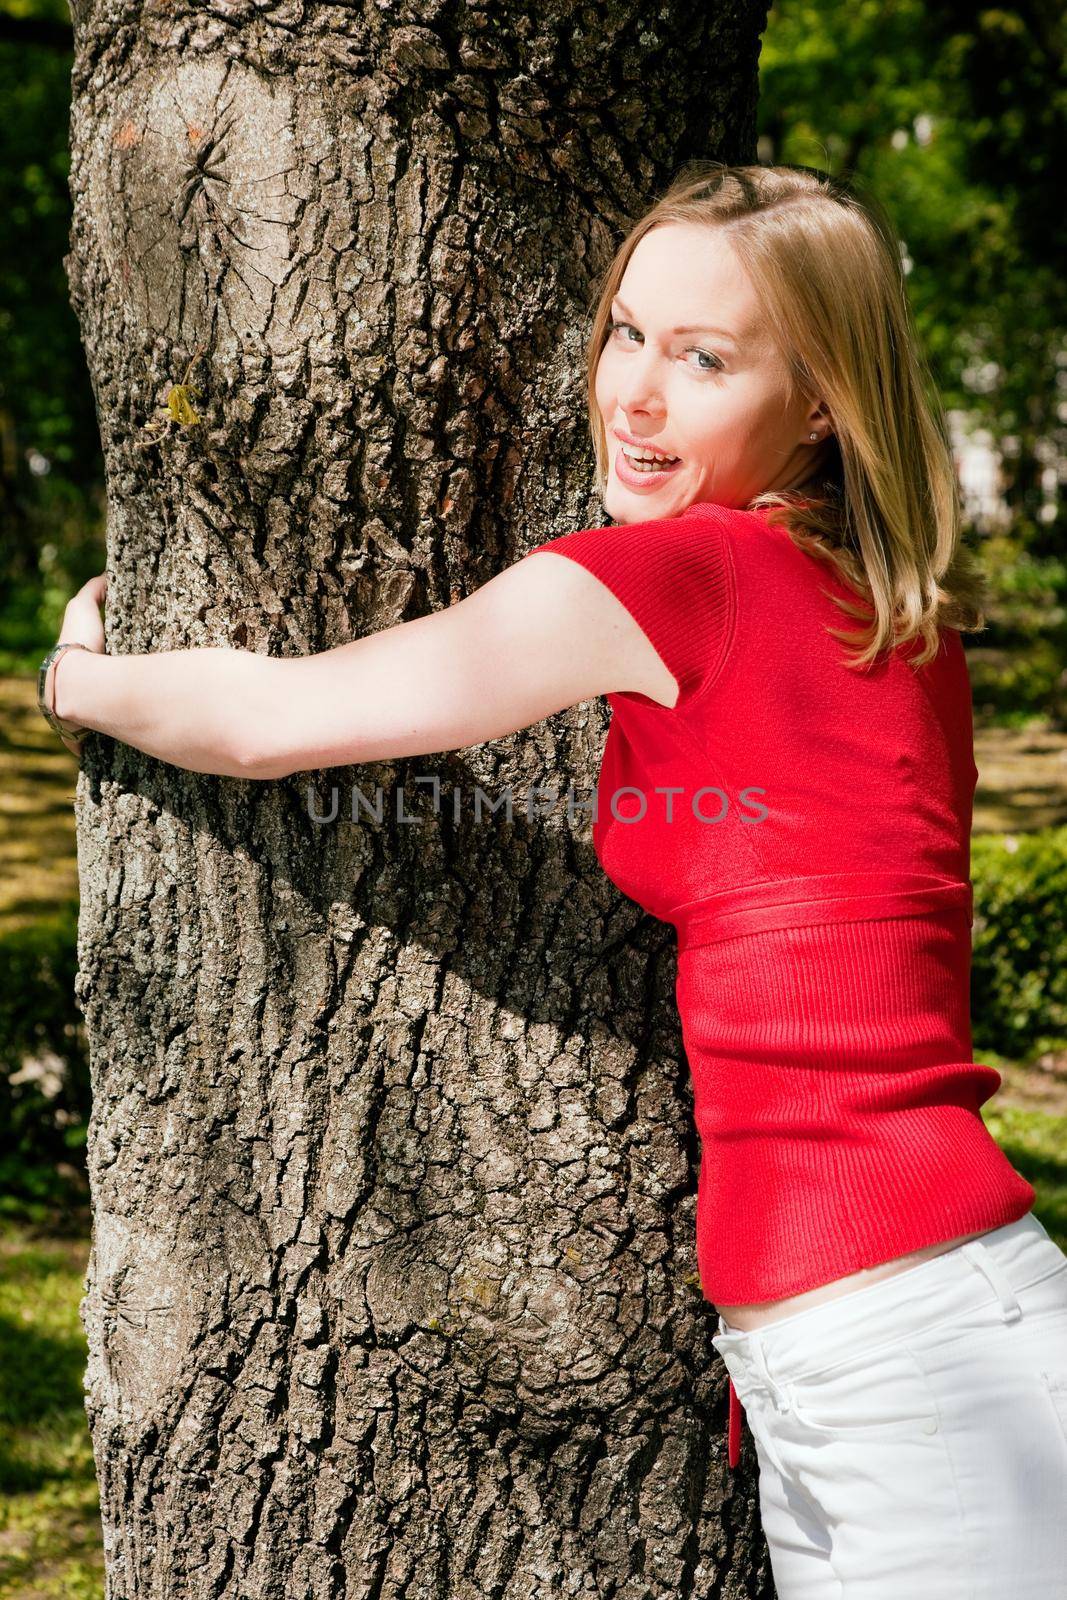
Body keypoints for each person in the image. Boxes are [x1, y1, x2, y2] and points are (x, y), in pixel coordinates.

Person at [40, 162, 1067, 1596]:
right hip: (880, 1340)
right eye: (626, 333)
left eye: (704, 359)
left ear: (825, 397)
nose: (633, 394)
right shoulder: (890, 614)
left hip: (911, 1355)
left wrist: (83, 681)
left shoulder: (686, 575)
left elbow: (277, 719)